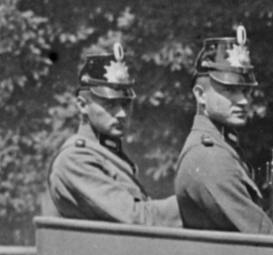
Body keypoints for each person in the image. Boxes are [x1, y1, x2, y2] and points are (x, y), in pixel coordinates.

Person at [47, 43, 180, 226]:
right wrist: (192, 204)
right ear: (82, 105)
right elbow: (137, 218)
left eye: (125, 104)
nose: (122, 113)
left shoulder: (108, 155)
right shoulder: (75, 160)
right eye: (110, 105)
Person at [175, 26, 273, 233]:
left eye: (245, 90)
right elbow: (265, 239)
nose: (243, 100)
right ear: (200, 95)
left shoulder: (223, 148)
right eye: (229, 90)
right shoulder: (209, 158)